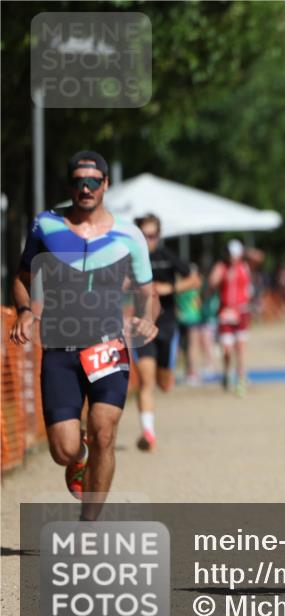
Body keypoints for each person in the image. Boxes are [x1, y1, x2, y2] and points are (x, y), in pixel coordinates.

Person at [8, 150, 158, 519]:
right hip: (60, 347)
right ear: (70, 185)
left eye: (93, 181)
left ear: (105, 184)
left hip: (108, 344)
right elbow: (22, 280)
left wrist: (147, 318)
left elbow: (147, 292)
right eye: (79, 181)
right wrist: (26, 311)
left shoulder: (129, 234)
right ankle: (80, 457)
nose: (86, 188)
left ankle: (89, 524)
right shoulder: (46, 225)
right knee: (63, 449)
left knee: (104, 429)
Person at [134, 214, 201, 451]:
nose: (148, 240)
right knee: (146, 381)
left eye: (152, 235)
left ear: (158, 236)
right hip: (141, 326)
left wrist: (169, 288)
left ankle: (149, 423)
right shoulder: (131, 257)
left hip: (167, 325)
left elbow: (195, 280)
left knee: (164, 383)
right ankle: (148, 432)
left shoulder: (166, 256)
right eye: (143, 235)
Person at [209, 239, 262, 396]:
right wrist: (220, 274)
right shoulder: (222, 267)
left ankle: (241, 378)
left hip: (242, 312)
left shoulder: (245, 266)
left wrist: (245, 252)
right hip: (225, 312)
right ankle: (227, 372)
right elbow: (212, 282)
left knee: (240, 348)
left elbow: (259, 257)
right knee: (227, 350)